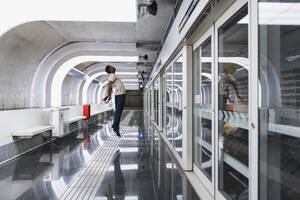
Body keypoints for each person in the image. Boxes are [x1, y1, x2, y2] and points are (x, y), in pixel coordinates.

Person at [103, 65, 126, 137]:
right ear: (110, 70)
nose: (113, 67)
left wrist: (109, 96)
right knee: (118, 111)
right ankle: (115, 127)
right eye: (111, 67)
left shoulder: (113, 76)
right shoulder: (112, 75)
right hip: (120, 94)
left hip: (119, 94)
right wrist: (107, 95)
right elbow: (108, 85)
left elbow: (110, 87)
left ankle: (114, 126)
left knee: (118, 111)